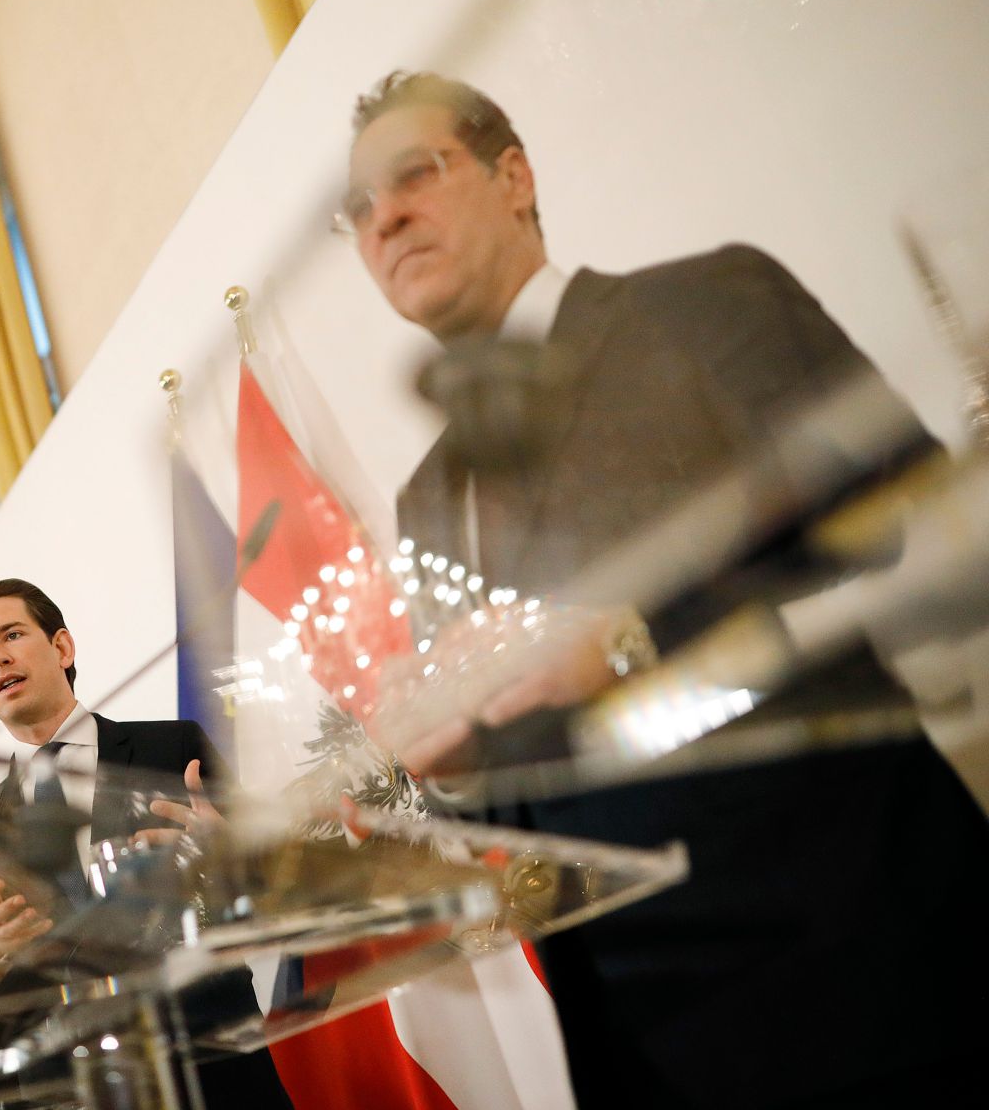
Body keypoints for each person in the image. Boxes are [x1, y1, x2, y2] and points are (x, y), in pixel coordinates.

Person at [343, 69, 989, 1107]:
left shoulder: (701, 302)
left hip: (859, 970)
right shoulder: (427, 495)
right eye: (357, 209)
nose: (385, 220)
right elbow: (526, 760)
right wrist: (449, 763)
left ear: (513, 177)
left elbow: (915, 533)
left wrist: (635, 639)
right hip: (639, 1035)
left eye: (412, 175)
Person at [0, 578, 293, 1109]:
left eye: (11, 634)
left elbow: (272, 885)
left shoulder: (173, 747)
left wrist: (227, 853)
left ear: (62, 648)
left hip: (210, 1064)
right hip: (73, 1090)